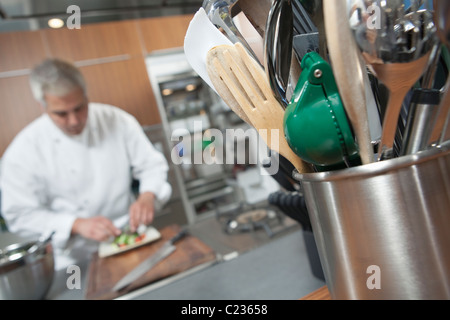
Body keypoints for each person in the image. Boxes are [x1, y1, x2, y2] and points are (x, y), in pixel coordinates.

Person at [0, 58, 172, 269]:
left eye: (79, 108)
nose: (74, 120)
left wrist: (148, 195)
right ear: (42, 106)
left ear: (85, 95)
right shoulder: (23, 152)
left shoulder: (116, 120)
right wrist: (75, 224)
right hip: (74, 259)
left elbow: (151, 165)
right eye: (61, 114)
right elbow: (19, 215)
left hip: (130, 238)